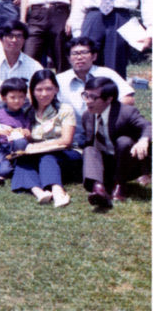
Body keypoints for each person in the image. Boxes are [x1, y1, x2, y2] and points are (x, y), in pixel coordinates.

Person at [10, 69, 80, 207]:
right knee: (22, 161)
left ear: (56, 89)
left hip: (66, 154)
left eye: (49, 89)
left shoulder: (65, 109)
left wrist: (38, 147)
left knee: (47, 157)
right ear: (32, 91)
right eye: (39, 89)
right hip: (38, 155)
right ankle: (39, 192)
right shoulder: (28, 111)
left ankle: (58, 191)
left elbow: (66, 141)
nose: (44, 94)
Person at [80, 76, 151, 209]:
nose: (87, 101)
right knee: (89, 149)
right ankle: (99, 189)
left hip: (127, 162)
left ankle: (120, 185)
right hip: (105, 165)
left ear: (109, 99)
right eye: (85, 95)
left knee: (123, 141)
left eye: (93, 97)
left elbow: (148, 126)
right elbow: (86, 141)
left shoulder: (126, 112)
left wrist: (143, 140)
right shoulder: (87, 116)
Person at [55, 37, 135, 146]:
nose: (79, 57)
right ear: (69, 58)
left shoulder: (107, 74)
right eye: (74, 54)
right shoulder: (59, 80)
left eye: (84, 52)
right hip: (74, 136)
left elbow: (128, 99)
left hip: (107, 132)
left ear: (94, 56)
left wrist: (105, 112)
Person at [0, 20, 43, 95]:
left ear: (24, 40)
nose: (14, 40)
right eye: (10, 36)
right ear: (1, 39)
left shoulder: (34, 66)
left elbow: (40, 88)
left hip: (24, 105)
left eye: (19, 36)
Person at [0, 77, 32, 181]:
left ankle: (17, 165)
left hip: (19, 151)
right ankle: (11, 167)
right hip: (2, 149)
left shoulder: (25, 115)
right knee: (4, 172)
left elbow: (29, 139)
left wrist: (27, 134)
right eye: (13, 97)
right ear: (4, 98)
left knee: (20, 142)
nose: (17, 101)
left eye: (21, 97)